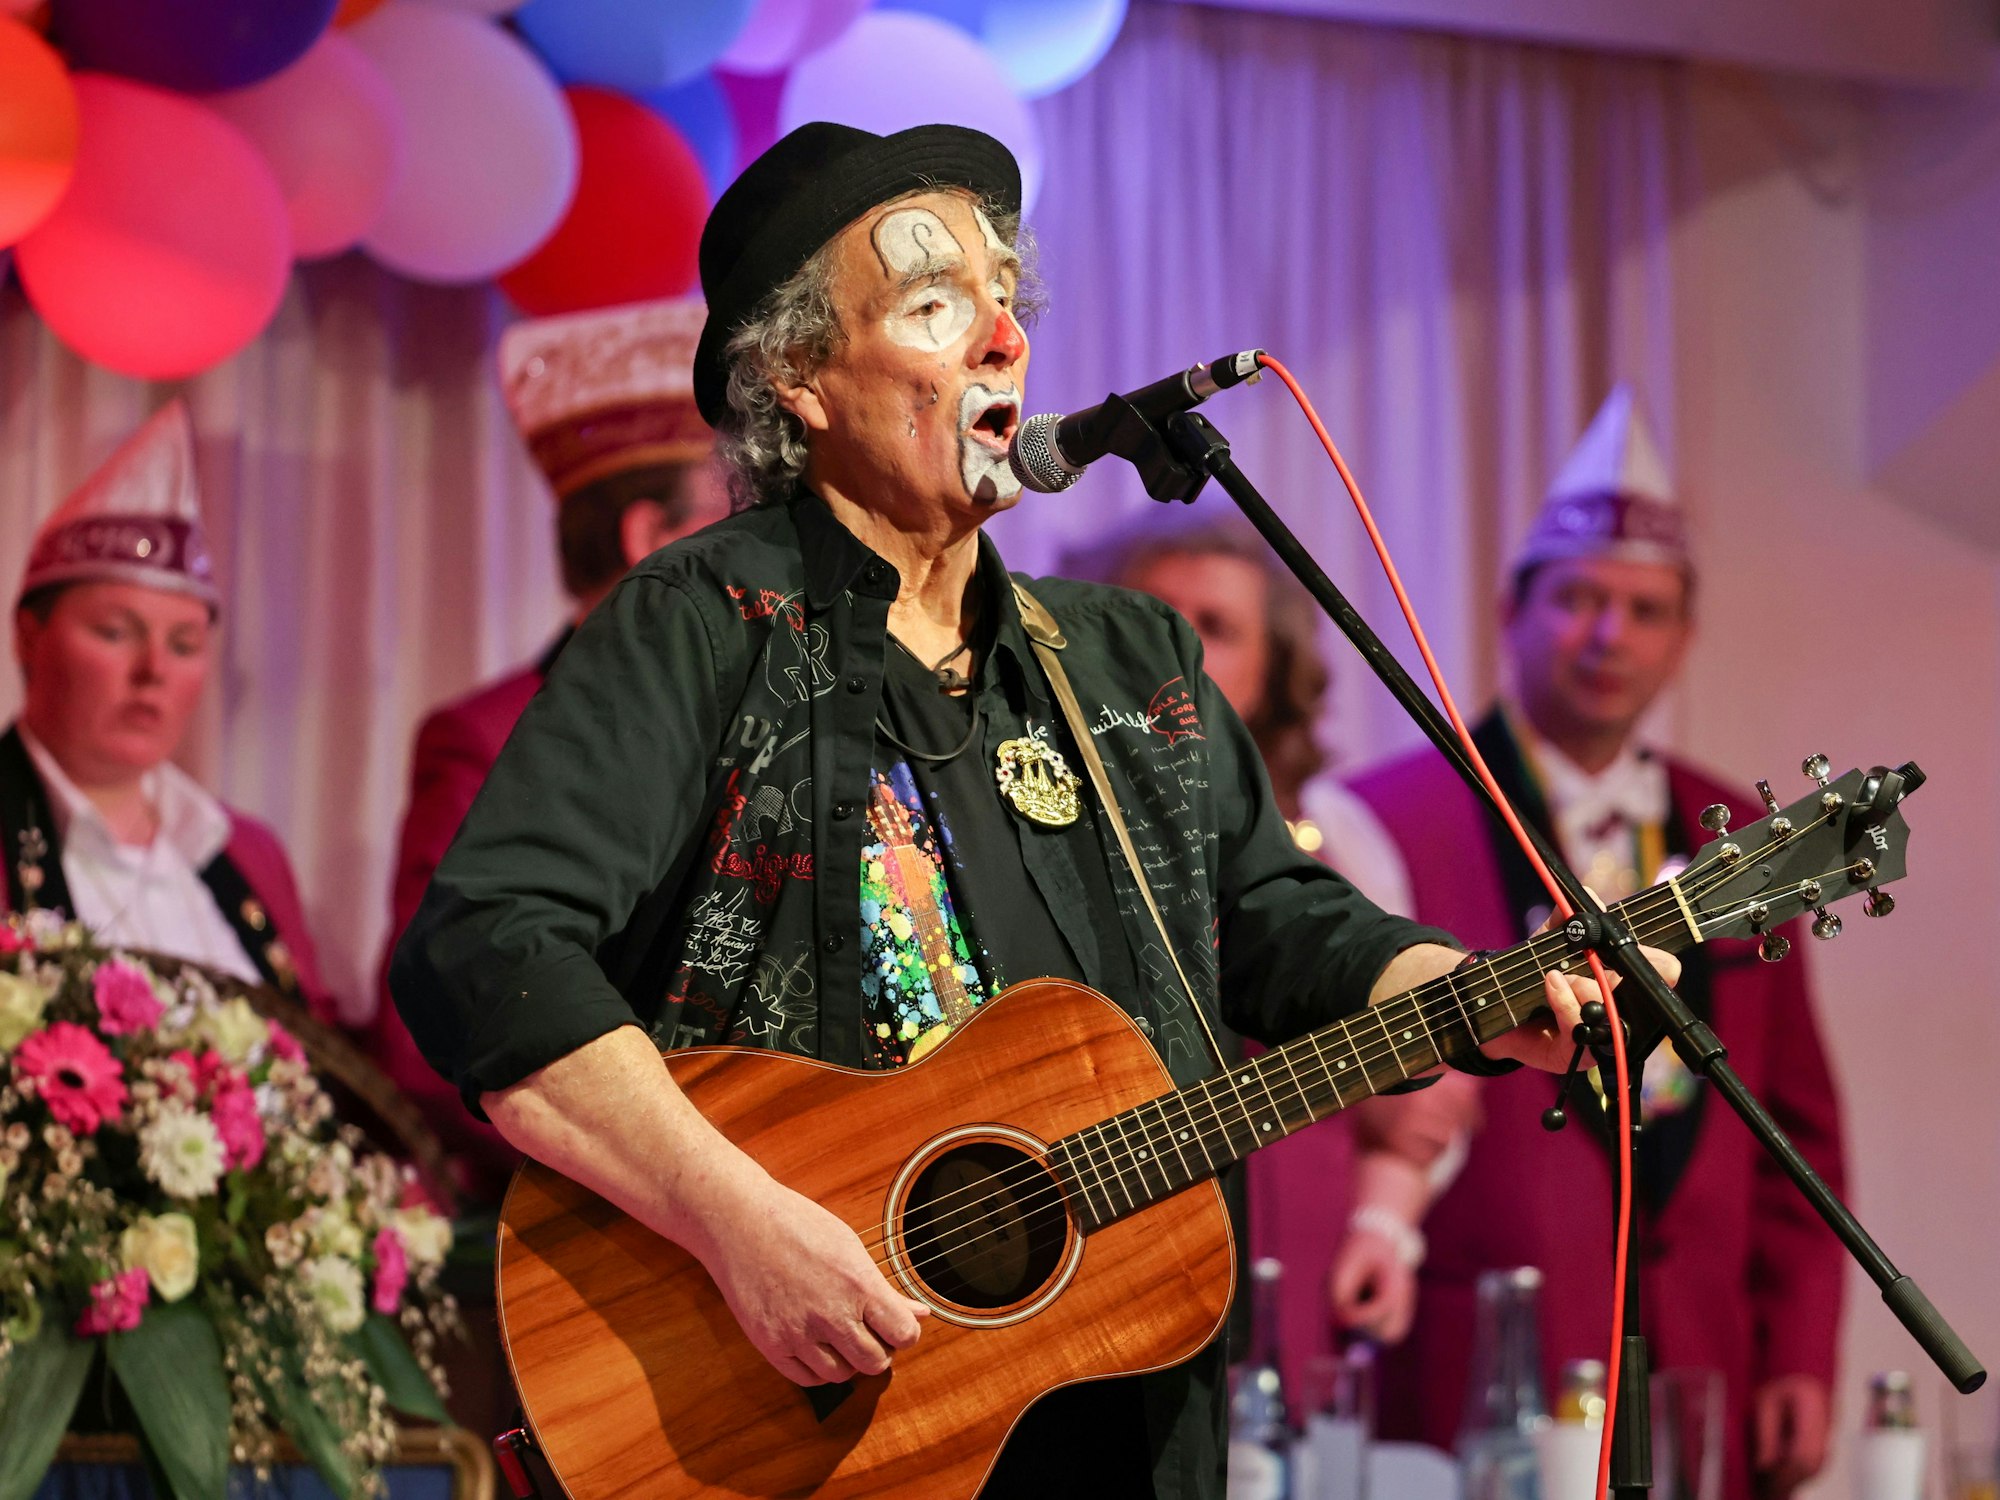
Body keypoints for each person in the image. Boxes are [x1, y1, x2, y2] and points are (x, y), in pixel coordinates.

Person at [391, 123, 1657, 1498]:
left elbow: (1284, 926)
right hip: (797, 1416)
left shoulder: (1131, 664)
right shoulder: (706, 622)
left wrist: (1477, 992)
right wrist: (742, 1225)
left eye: (1008, 296)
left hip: (1121, 1410)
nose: (1004, 335)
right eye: (936, 305)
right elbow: (488, 947)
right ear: (801, 380)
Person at [1333, 386, 1845, 1500]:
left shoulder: (1748, 839)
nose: (1607, 637)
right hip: (1481, 1361)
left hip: (1704, 1361)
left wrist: (1800, 1348)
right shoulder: (1380, 813)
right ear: (1512, 612)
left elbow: (1796, 1120)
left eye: (1643, 610)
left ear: (1682, 639)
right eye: (1576, 600)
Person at [1076, 517, 1478, 1394]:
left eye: (1214, 629)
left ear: (1271, 676)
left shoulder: (1338, 837)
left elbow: (1420, 1102)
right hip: (1086, 1274)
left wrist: (1384, 1225)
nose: (1171, 648)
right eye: (1149, 615)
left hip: (1288, 1290)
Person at [368, 297, 726, 1208]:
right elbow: (427, 1035)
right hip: (584, 1235)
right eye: (734, 519)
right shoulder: (486, 737)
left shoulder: (771, 723)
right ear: (652, 538)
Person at [2, 400, 331, 1015]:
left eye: (184, 644)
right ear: (28, 635)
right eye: (115, 632)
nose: (153, 671)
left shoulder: (248, 854)